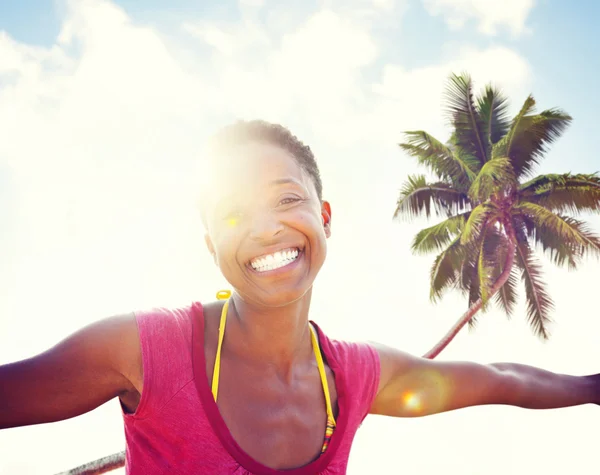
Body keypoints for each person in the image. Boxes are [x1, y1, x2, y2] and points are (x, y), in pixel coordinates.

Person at [0, 120, 598, 475]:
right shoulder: (139, 350)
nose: (265, 229)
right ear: (213, 247)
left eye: (287, 199)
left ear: (325, 217)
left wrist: (589, 389)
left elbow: (498, 378)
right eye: (235, 214)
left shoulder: (356, 375)